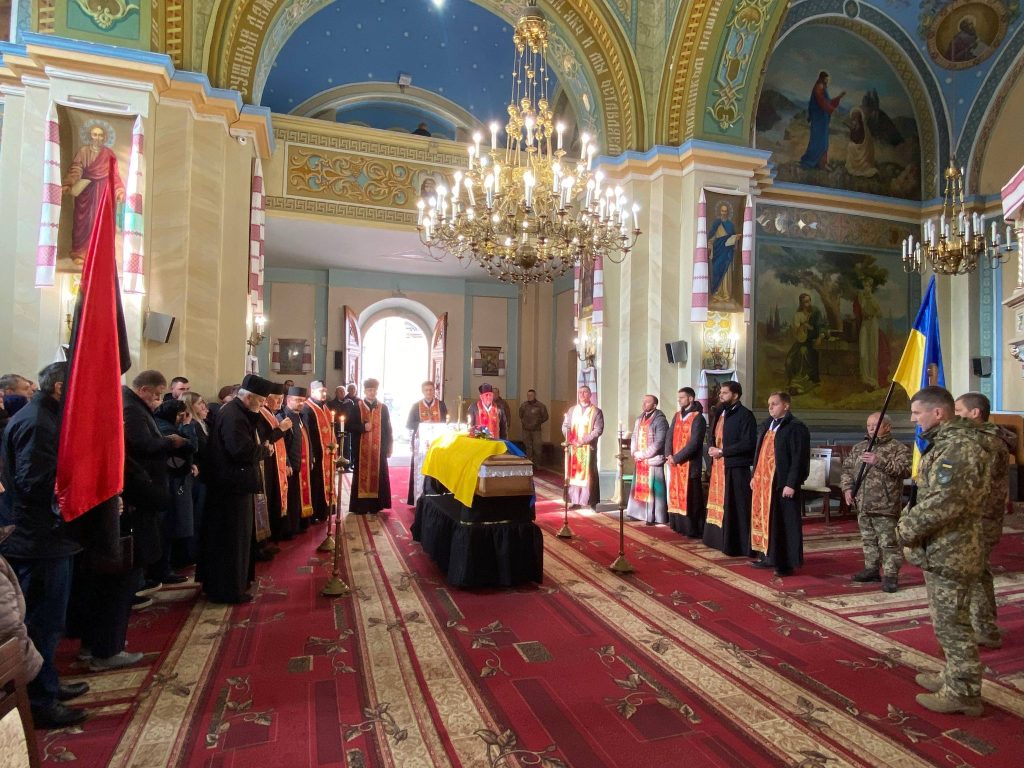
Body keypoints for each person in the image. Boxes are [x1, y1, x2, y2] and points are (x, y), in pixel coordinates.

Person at [0, 362, 89, 726]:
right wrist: (76, 488)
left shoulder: (45, 416)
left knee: (51, 618)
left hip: (49, 536)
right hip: (39, 538)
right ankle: (39, 699)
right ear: (60, 389)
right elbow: (33, 481)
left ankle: (48, 682)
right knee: (42, 620)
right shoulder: (38, 422)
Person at [898, 386, 993, 717]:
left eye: (917, 413)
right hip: (942, 546)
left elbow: (946, 502)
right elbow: (928, 494)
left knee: (953, 623)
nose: (914, 419)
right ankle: (954, 675)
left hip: (954, 547)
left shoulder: (960, 447)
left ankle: (963, 692)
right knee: (946, 621)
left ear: (938, 413)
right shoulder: (947, 442)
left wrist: (905, 529)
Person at [199, 375, 275, 604]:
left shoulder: (236, 411)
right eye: (261, 401)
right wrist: (264, 451)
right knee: (232, 541)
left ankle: (235, 583)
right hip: (232, 487)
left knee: (235, 539)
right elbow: (239, 450)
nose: (263, 405)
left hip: (231, 485)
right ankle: (230, 589)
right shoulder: (234, 416)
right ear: (249, 397)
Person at [955, 392, 1012, 649]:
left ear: (975, 413)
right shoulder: (982, 439)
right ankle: (986, 626)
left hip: (981, 518)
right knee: (980, 572)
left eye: (959, 411)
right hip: (980, 516)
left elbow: (976, 484)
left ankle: (983, 629)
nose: (955, 416)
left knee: (972, 573)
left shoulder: (986, 443)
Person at [840, 412, 911, 593]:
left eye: (875, 425)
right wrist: (847, 489)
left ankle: (890, 576)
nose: (871, 428)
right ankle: (871, 570)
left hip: (885, 504)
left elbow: (905, 470)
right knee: (868, 540)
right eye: (869, 425)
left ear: (887, 427)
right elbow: (847, 470)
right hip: (863, 503)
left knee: (888, 543)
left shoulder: (898, 448)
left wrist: (878, 461)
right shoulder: (859, 448)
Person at [749, 392, 810, 577]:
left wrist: (791, 483)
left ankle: (785, 564)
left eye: (774, 404)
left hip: (782, 484)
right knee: (769, 522)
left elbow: (799, 458)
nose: (770, 407)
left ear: (786, 406)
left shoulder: (795, 427)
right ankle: (768, 556)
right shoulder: (767, 424)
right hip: (764, 484)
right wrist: (754, 475)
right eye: (769, 404)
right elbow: (759, 453)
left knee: (784, 524)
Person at [703, 381, 757, 557]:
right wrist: (712, 448)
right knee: (719, 503)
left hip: (736, 467)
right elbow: (713, 434)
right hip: (718, 466)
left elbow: (748, 443)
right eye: (721, 392)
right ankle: (717, 540)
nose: (720, 395)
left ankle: (736, 544)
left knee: (736, 506)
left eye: (725, 393)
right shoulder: (720, 412)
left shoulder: (745, 415)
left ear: (735, 395)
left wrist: (723, 451)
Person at [61, 122, 125, 263]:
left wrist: (119, 190)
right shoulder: (83, 152)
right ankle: (80, 253)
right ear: (90, 136)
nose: (97, 138)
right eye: (95, 135)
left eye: (100, 135)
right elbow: (76, 169)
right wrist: (68, 183)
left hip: (103, 193)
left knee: (100, 223)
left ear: (104, 138)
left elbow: (114, 175)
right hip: (85, 191)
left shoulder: (109, 154)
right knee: (83, 223)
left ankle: (98, 254)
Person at [665, 388, 707, 538]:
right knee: (676, 494)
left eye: (682, 397)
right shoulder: (677, 416)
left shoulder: (698, 418)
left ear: (690, 399)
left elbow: (695, 443)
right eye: (679, 398)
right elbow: (669, 436)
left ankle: (692, 529)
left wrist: (677, 458)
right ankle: (677, 525)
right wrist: (668, 455)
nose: (679, 400)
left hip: (689, 465)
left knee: (691, 498)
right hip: (675, 465)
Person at [348, 378, 393, 515]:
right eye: (369, 390)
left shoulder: (383, 408)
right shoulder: (357, 407)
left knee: (378, 476)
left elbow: (388, 428)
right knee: (360, 477)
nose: (371, 392)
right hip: (361, 449)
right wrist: (362, 427)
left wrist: (389, 446)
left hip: (379, 450)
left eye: (373, 390)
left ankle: (375, 506)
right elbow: (349, 426)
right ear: (365, 391)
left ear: (376, 391)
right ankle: (360, 506)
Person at [626, 395, 670, 526]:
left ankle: (654, 516)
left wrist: (644, 454)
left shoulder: (660, 420)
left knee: (653, 489)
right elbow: (634, 436)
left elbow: (659, 442)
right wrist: (634, 452)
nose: (644, 403)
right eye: (643, 401)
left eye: (647, 402)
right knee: (640, 488)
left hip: (652, 460)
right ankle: (638, 513)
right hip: (640, 460)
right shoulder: (639, 418)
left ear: (655, 405)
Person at [258, 385, 293, 544]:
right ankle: (268, 537)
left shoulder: (272, 414)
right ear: (266, 399)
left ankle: (275, 534)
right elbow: (266, 440)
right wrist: (282, 428)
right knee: (270, 500)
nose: (280, 401)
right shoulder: (262, 414)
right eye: (276, 398)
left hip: (277, 464)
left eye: (281, 398)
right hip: (267, 466)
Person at [562, 385, 604, 509]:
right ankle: (575, 500)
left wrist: (584, 440)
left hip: (588, 448)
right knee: (574, 475)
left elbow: (598, 430)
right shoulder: (572, 410)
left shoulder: (596, 411)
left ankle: (591, 502)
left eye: (585, 392)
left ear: (590, 395)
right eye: (580, 392)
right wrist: (571, 439)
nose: (582, 394)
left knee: (590, 474)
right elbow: (566, 426)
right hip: (574, 448)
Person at [406, 380, 447, 505]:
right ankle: (419, 498)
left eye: (431, 390)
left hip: (438, 444)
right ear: (423, 391)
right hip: (421, 444)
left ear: (434, 391)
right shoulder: (416, 406)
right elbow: (409, 424)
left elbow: (446, 422)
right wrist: (422, 424)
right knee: (420, 469)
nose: (429, 392)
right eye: (426, 390)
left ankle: (437, 498)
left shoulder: (441, 405)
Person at [281, 386, 314, 533]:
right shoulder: (283, 417)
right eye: (297, 400)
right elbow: (281, 445)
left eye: (303, 400)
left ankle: (302, 524)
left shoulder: (301, 416)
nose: (301, 403)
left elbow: (308, 439)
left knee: (301, 496)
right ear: (288, 400)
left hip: (304, 464)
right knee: (293, 498)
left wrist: (311, 456)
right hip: (292, 466)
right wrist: (286, 463)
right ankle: (291, 528)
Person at [301, 380, 334, 523]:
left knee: (324, 481)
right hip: (316, 453)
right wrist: (312, 454)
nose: (324, 393)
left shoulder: (325, 407)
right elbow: (307, 433)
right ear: (312, 391)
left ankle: (324, 510)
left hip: (326, 453)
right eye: (321, 391)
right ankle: (316, 512)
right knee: (316, 482)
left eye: (325, 391)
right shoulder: (307, 408)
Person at [799, 71, 845, 170]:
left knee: (823, 142)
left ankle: (821, 163)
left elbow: (828, 102)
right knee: (818, 141)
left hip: (823, 120)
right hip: (818, 120)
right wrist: (831, 109)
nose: (827, 81)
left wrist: (839, 97)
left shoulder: (823, 88)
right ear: (822, 78)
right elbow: (822, 102)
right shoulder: (819, 87)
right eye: (826, 79)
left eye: (828, 79)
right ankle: (812, 161)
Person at [785, 293, 823, 395]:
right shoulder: (798, 315)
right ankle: (794, 382)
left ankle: (802, 383)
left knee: (803, 352)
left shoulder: (815, 313)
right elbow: (796, 332)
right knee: (789, 360)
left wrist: (820, 336)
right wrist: (803, 326)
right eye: (806, 302)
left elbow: (820, 327)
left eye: (809, 301)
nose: (808, 303)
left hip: (811, 343)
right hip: (800, 342)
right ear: (801, 304)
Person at [708, 202, 739, 305]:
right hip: (717, 252)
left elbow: (733, 239)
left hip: (726, 253)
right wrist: (710, 244)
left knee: (726, 273)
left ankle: (726, 294)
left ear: (728, 212)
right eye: (722, 211)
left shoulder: (730, 225)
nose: (724, 213)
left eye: (725, 211)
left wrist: (735, 238)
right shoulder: (716, 223)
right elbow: (711, 236)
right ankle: (716, 294)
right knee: (717, 272)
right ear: (720, 212)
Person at [856, 278, 882, 389]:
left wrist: (871, 301)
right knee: (863, 352)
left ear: (871, 287)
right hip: (864, 323)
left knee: (873, 352)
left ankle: (873, 380)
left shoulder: (873, 299)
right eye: (864, 286)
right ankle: (865, 378)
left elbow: (880, 313)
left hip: (873, 323)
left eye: (867, 286)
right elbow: (860, 305)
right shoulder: (861, 297)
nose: (865, 288)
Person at [518, 389, 549, 462]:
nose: (529, 397)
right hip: (526, 430)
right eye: (528, 395)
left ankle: (537, 463)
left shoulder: (540, 406)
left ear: (535, 395)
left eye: (531, 395)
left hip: (536, 430)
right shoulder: (523, 405)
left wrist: (538, 422)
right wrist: (525, 422)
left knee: (537, 447)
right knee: (528, 447)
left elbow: (545, 417)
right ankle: (529, 462)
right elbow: (520, 415)